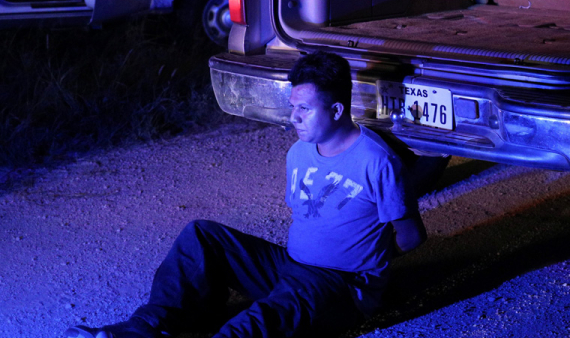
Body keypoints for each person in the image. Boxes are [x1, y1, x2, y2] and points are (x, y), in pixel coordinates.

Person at [66, 51, 427, 338]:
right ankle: (143, 328)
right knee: (201, 236)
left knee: (255, 323)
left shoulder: (377, 161)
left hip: (340, 286)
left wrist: (362, 261)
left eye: (304, 108)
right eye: (292, 106)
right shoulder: (299, 151)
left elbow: (411, 237)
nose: (293, 117)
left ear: (335, 110)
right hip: (292, 268)